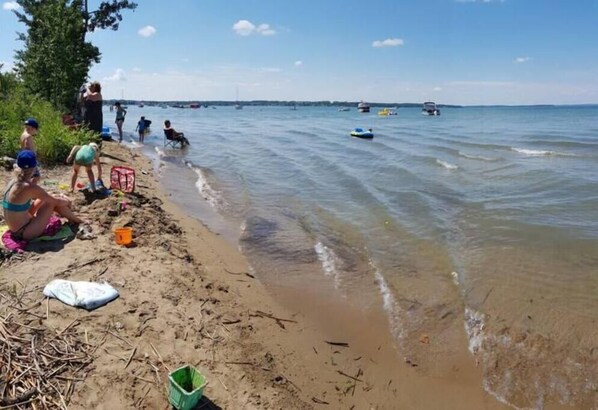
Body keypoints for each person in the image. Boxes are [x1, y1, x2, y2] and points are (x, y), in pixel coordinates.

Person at [3, 150, 85, 241]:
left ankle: (74, 218)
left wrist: (54, 196)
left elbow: (41, 196)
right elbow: (55, 201)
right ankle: (78, 220)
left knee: (49, 196)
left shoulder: (13, 182)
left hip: (16, 228)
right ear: (34, 167)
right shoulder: (28, 187)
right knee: (52, 203)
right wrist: (68, 201)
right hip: (24, 232)